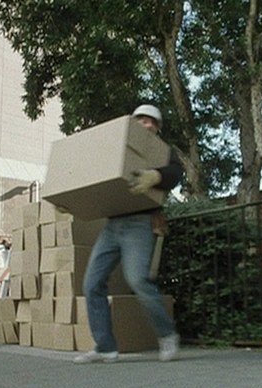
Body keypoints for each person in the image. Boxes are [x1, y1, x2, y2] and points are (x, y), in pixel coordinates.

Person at [74, 104, 184, 364]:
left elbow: (176, 172)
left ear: (157, 128)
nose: (147, 124)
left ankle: (167, 335)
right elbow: (94, 174)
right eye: (142, 120)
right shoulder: (118, 146)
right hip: (113, 224)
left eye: (152, 122)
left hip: (140, 222)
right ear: (133, 123)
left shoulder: (163, 151)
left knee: (137, 280)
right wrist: (71, 202)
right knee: (92, 283)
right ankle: (105, 347)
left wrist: (156, 175)